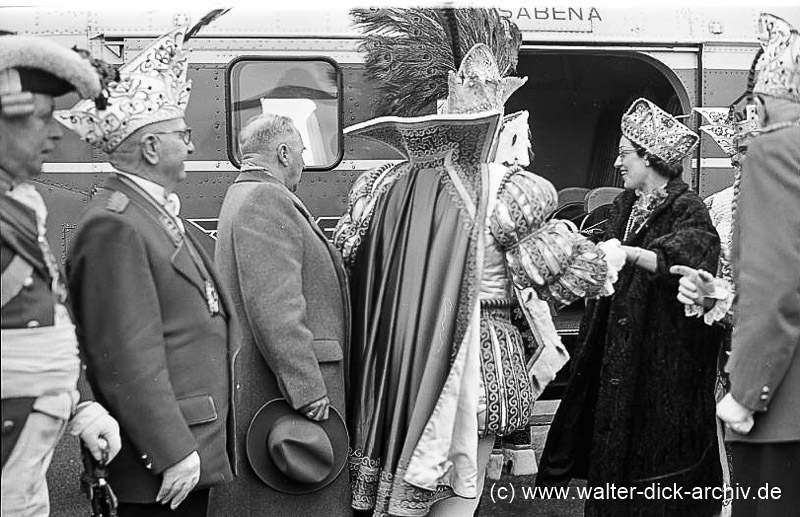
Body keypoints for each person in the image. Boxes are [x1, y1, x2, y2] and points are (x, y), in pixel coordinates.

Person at [336, 8, 618, 516]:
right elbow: (563, 277)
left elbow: (346, 261)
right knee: (457, 501)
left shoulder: (376, 186)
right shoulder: (506, 188)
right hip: (477, 360)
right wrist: (610, 257)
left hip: (389, 366)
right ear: (491, 121)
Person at [58, 25, 236, 517]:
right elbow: (124, 354)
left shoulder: (142, 213)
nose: (194, 146)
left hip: (185, 442)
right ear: (152, 149)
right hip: (159, 464)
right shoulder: (116, 225)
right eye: (183, 135)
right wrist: (171, 451)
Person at [537, 98, 723, 517]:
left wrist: (630, 254)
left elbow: (688, 256)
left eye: (625, 154)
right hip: (614, 349)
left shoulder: (687, 208)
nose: (618, 163)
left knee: (654, 461)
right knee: (611, 450)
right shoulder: (622, 206)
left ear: (650, 157)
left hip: (661, 359)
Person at [674, 13, 800, 517]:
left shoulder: (777, 154)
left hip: (782, 399)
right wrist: (719, 295)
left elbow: (777, 289)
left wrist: (746, 394)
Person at [0, 33, 121, 516]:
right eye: (43, 118)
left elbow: (44, 318)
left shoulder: (20, 206)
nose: (56, 135)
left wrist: (78, 405)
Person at [208, 113, 351, 515]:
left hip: (272, 384)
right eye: (302, 151)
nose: (304, 161)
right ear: (284, 152)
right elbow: (276, 306)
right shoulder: (266, 199)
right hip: (286, 392)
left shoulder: (245, 194)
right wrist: (307, 390)